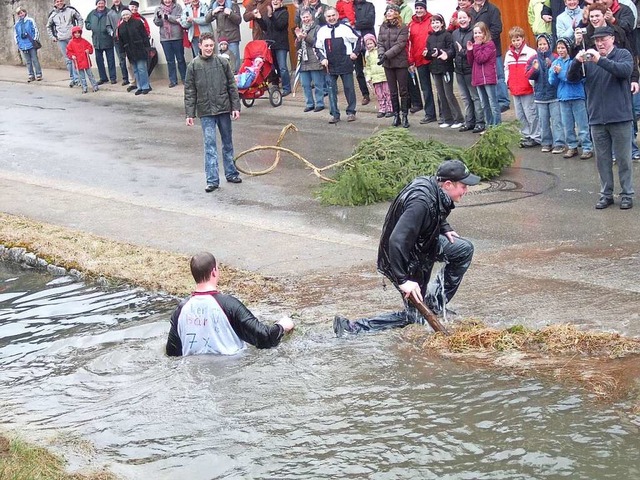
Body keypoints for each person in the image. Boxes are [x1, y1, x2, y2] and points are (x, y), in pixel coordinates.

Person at [333, 159, 479, 336]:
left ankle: (435, 303)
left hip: (424, 245)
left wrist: (444, 227)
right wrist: (403, 280)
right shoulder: (421, 202)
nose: (466, 190)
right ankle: (353, 328)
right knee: (416, 317)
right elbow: (397, 240)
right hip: (402, 258)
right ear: (448, 184)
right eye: (463, 186)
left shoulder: (435, 190)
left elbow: (435, 211)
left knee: (463, 250)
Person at [166, 252, 295, 356]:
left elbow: (172, 352)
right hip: (229, 372)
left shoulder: (180, 310)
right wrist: (282, 326)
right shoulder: (229, 305)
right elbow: (263, 337)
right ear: (214, 272)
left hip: (193, 379)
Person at [568, 25, 635, 209]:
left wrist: (600, 61)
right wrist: (576, 61)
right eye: (597, 40)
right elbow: (571, 78)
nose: (600, 43)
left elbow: (624, 71)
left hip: (620, 117)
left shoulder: (623, 55)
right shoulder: (589, 60)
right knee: (602, 160)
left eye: (603, 39)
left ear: (612, 39)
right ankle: (606, 194)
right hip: (597, 118)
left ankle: (627, 194)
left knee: (623, 160)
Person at [185, 32, 242, 192]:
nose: (209, 48)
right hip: (206, 111)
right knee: (209, 145)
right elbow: (190, 91)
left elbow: (232, 85)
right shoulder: (193, 66)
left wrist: (235, 107)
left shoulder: (222, 63)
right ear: (200, 46)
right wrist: (190, 114)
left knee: (227, 143)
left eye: (211, 45)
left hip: (224, 109)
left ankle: (231, 173)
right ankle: (212, 180)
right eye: (206, 45)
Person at [549, 36, 593, 159]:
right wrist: (553, 73)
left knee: (582, 124)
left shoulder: (575, 61)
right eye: (558, 47)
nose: (561, 50)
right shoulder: (555, 62)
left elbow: (572, 78)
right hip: (563, 98)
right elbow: (552, 82)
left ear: (568, 49)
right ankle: (572, 146)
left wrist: (561, 73)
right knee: (567, 125)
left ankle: (587, 147)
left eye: (563, 47)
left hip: (577, 96)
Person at [315, 7, 360, 124]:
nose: (331, 18)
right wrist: (322, 58)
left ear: (337, 15)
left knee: (349, 89)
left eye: (333, 15)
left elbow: (358, 40)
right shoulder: (322, 31)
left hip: (345, 63)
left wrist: (355, 52)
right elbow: (317, 47)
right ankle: (334, 114)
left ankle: (351, 112)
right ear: (325, 18)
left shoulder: (346, 28)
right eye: (329, 16)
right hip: (329, 65)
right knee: (331, 91)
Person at [526, 33, 566, 153]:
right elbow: (528, 75)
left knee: (556, 121)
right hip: (540, 96)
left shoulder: (554, 57)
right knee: (543, 121)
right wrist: (535, 69)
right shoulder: (533, 59)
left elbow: (558, 74)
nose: (542, 46)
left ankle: (559, 143)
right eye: (540, 44)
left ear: (549, 45)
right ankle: (546, 142)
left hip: (554, 95)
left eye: (544, 44)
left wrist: (551, 67)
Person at [426, 13, 464, 129]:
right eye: (433, 23)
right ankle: (448, 119)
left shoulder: (447, 35)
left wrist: (445, 54)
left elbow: (452, 50)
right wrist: (427, 54)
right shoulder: (430, 37)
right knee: (441, 95)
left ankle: (459, 118)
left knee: (449, 94)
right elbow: (428, 53)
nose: (435, 25)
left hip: (446, 68)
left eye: (437, 22)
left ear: (442, 23)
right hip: (435, 69)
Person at [470, 0, 510, 111]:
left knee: (499, 76)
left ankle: (503, 102)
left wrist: (485, 42)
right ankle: (489, 101)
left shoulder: (493, 9)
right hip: (477, 50)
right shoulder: (471, 10)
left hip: (492, 50)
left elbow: (497, 29)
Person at [504, 26, 540, 148]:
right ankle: (525, 135)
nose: (516, 42)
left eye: (518, 39)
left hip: (527, 89)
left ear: (523, 38)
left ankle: (536, 136)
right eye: (513, 40)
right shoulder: (509, 54)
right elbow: (506, 69)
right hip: (515, 89)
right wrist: (507, 82)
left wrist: (532, 84)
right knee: (520, 115)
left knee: (531, 113)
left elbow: (535, 70)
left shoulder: (531, 52)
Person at [452, 8, 485, 132]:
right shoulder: (454, 33)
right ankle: (469, 121)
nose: (462, 20)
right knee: (465, 98)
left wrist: (463, 51)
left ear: (469, 18)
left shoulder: (474, 33)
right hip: (459, 70)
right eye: (459, 18)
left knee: (475, 97)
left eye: (464, 17)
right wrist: (445, 54)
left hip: (471, 69)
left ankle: (480, 121)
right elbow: (453, 50)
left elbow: (475, 51)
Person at [378, 4, 411, 128]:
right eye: (387, 11)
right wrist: (381, 54)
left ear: (397, 13)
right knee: (392, 92)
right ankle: (396, 115)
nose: (388, 13)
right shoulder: (383, 27)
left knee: (403, 91)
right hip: (388, 64)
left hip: (400, 63)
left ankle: (405, 115)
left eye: (391, 11)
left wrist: (386, 55)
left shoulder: (403, 27)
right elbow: (380, 42)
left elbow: (400, 44)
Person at [407, 0, 438, 124]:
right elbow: (409, 44)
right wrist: (411, 61)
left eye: (421, 8)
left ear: (425, 8)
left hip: (433, 59)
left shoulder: (432, 20)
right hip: (419, 61)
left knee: (440, 88)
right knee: (426, 89)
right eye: (417, 8)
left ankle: (445, 114)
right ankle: (430, 114)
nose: (419, 10)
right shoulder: (411, 24)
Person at [467, 21, 500, 130]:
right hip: (478, 78)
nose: (477, 35)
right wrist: (469, 51)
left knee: (493, 104)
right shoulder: (476, 46)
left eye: (479, 33)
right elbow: (472, 61)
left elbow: (481, 59)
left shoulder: (490, 45)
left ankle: (497, 127)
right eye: (475, 33)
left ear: (485, 33)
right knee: (484, 104)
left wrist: (476, 47)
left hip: (488, 78)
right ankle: (489, 126)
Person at [254, 0, 291, 96]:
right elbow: (265, 28)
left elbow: (279, 26)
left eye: (277, 0)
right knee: (273, 67)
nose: (275, 1)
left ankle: (287, 87)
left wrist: (271, 16)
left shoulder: (284, 12)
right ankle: (276, 85)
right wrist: (259, 18)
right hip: (270, 45)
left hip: (281, 44)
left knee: (282, 67)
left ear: (281, 2)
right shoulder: (269, 13)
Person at [294, 9, 326, 112]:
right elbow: (297, 47)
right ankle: (309, 103)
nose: (305, 19)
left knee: (317, 83)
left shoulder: (316, 28)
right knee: (305, 84)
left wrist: (306, 37)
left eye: (307, 17)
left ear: (311, 17)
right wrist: (298, 39)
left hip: (314, 58)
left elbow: (316, 43)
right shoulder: (300, 29)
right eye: (303, 17)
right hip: (303, 60)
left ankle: (320, 103)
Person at [47, 0, 84, 88]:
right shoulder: (52, 14)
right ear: (55, 3)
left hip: (72, 38)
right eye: (57, 1)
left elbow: (80, 19)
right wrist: (53, 37)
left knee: (75, 58)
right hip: (61, 40)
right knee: (68, 60)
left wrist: (78, 31)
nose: (59, 3)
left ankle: (77, 79)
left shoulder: (71, 10)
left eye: (61, 1)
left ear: (63, 1)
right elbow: (48, 26)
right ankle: (72, 79)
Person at [117, 8, 152, 95]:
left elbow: (144, 35)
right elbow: (120, 41)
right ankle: (139, 87)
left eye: (127, 14)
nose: (125, 16)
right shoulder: (120, 27)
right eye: (123, 15)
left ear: (130, 14)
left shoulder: (138, 22)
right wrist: (122, 52)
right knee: (135, 69)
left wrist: (147, 47)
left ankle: (145, 86)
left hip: (140, 49)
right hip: (129, 51)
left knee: (141, 68)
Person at [154, 0, 187, 88]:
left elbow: (179, 19)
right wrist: (158, 18)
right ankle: (173, 80)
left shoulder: (177, 7)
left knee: (180, 59)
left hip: (177, 37)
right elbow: (157, 23)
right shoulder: (158, 8)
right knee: (170, 60)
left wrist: (167, 17)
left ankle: (185, 78)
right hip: (165, 39)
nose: (167, 1)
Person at [85, 0, 118, 86]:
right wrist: (90, 26)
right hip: (97, 41)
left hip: (108, 40)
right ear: (96, 4)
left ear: (105, 4)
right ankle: (103, 78)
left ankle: (113, 78)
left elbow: (114, 23)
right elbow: (87, 22)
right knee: (99, 61)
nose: (101, 5)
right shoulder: (92, 13)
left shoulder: (109, 12)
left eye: (102, 3)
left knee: (110, 60)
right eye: (99, 3)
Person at [362, 33, 392, 117]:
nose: (369, 45)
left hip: (384, 76)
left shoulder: (380, 51)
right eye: (367, 44)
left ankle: (390, 108)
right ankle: (382, 108)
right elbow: (368, 66)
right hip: (375, 78)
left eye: (371, 43)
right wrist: (368, 76)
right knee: (379, 94)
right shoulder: (367, 54)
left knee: (387, 92)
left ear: (375, 42)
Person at [208, 0, 242, 73]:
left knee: (234, 61)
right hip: (221, 39)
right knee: (222, 61)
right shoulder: (214, 6)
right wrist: (213, 12)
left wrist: (230, 13)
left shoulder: (233, 5)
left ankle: (236, 78)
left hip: (232, 38)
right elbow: (207, 19)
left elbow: (239, 20)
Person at [353, 0, 376, 106]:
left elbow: (370, 22)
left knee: (374, 67)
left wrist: (355, 24)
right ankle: (365, 94)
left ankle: (379, 91)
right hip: (354, 42)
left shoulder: (369, 5)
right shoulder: (350, 5)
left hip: (369, 40)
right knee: (358, 71)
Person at [66, 26, 99, 94]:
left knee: (90, 74)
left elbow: (89, 46)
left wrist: (88, 50)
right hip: (78, 62)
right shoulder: (71, 43)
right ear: (73, 34)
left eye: (78, 33)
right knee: (82, 76)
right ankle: (84, 87)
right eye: (75, 33)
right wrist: (72, 56)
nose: (77, 34)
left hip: (85, 61)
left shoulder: (83, 41)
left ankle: (95, 86)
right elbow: (69, 51)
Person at [14, 6, 43, 83]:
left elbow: (35, 30)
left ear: (25, 12)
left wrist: (34, 40)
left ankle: (38, 74)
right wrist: (18, 43)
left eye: (22, 12)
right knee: (28, 61)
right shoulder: (17, 24)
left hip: (31, 43)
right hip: (23, 45)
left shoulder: (30, 20)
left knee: (35, 59)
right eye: (19, 14)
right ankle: (31, 75)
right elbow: (16, 35)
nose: (21, 14)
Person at [110, 0, 129, 86]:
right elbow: (108, 26)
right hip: (117, 40)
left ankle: (133, 78)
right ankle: (125, 78)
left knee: (131, 58)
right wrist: (112, 33)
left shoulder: (126, 8)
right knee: (122, 59)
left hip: (128, 38)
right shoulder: (110, 13)